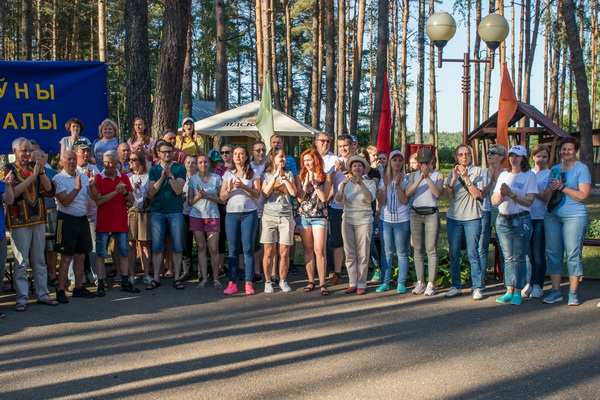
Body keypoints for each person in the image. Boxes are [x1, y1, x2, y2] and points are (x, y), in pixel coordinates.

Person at [4, 138, 57, 311]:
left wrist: (40, 172)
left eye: (29, 150)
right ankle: (22, 298)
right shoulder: (8, 170)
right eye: (24, 151)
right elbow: (12, 195)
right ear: (14, 152)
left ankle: (42, 293)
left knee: (39, 259)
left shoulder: (35, 168)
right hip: (19, 221)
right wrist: (33, 176)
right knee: (21, 261)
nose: (27, 154)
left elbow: (49, 191)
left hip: (38, 219)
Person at [540, 137, 591, 306]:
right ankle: (555, 291)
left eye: (569, 149)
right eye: (563, 149)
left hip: (574, 216)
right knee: (553, 254)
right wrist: (551, 188)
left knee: (572, 253)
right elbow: (547, 197)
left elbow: (583, 195)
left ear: (575, 151)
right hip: (553, 216)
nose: (566, 152)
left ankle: (573, 292)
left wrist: (563, 187)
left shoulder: (581, 169)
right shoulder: (554, 169)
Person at [492, 145, 538, 306]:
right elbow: (494, 200)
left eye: (517, 156)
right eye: (511, 155)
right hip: (503, 219)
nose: (514, 158)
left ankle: (518, 291)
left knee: (518, 257)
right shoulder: (503, 175)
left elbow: (529, 201)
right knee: (508, 257)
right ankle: (509, 290)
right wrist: (502, 195)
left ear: (523, 158)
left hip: (521, 219)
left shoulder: (529, 176)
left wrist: (512, 194)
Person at [89, 151, 139, 296]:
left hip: (120, 220)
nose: (108, 165)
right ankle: (100, 283)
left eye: (111, 162)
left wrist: (123, 192)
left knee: (123, 252)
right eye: (105, 162)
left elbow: (132, 200)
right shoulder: (98, 178)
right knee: (101, 253)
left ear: (117, 163)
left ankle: (125, 281)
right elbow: (98, 201)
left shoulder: (123, 177)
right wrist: (114, 192)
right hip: (104, 221)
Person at [52, 150, 96, 303]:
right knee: (66, 257)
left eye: (73, 159)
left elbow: (93, 197)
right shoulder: (58, 179)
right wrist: (76, 188)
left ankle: (78, 286)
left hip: (82, 220)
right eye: (68, 159)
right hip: (66, 220)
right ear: (62, 162)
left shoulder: (83, 177)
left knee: (80, 255)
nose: (71, 162)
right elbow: (64, 201)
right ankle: (61, 289)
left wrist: (92, 184)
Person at [444, 144, 485, 300]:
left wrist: (467, 178)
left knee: (473, 253)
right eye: (461, 154)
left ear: (471, 155)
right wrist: (454, 178)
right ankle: (456, 286)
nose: (464, 157)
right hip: (454, 217)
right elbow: (446, 195)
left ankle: (477, 287)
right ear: (456, 157)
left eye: (467, 154)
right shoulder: (452, 172)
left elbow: (477, 195)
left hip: (472, 217)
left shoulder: (478, 171)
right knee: (454, 253)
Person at [220, 146, 261, 295]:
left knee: (248, 248)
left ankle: (249, 282)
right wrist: (230, 189)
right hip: (231, 214)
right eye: (235, 154)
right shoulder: (227, 174)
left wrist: (243, 186)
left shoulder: (253, 173)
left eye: (241, 154)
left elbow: (257, 195)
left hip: (249, 214)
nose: (238, 156)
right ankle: (232, 282)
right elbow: (222, 197)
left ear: (246, 156)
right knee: (233, 250)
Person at [146, 141, 187, 290]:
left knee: (177, 246)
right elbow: (151, 193)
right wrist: (162, 177)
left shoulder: (180, 168)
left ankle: (177, 278)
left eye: (169, 151)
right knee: (157, 247)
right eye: (164, 152)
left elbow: (178, 190)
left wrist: (170, 175)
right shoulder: (154, 170)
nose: (167, 154)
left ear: (174, 152)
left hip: (175, 211)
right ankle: (156, 278)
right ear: (158, 153)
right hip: (158, 211)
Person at [406, 147, 444, 296]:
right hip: (416, 214)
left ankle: (431, 283)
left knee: (431, 249)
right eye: (421, 162)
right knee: (417, 249)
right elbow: (408, 193)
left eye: (426, 162)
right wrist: (419, 178)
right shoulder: (413, 175)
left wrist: (427, 177)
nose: (424, 165)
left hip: (431, 214)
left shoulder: (438, 175)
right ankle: (420, 281)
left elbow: (437, 193)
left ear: (432, 161)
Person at [335, 155, 376, 294]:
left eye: (360, 165)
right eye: (354, 165)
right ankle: (352, 282)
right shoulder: (344, 182)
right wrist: (342, 187)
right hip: (348, 220)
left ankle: (362, 284)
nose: (357, 168)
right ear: (351, 169)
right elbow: (338, 201)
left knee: (363, 254)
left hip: (364, 220)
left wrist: (361, 183)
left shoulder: (370, 183)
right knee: (350, 253)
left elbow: (370, 199)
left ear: (364, 169)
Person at [296, 148, 332, 295]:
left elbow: (324, 199)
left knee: (319, 250)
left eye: (309, 160)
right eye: (304, 161)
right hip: (304, 216)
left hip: (319, 216)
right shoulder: (300, 176)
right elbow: (299, 198)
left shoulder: (326, 177)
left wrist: (315, 185)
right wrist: (305, 184)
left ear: (316, 160)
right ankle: (311, 281)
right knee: (308, 249)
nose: (306, 163)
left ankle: (323, 283)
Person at [261, 148, 297, 293]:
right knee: (269, 251)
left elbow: (294, 192)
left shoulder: (289, 173)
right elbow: (264, 193)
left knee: (284, 251)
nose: (283, 159)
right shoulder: (265, 175)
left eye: (284, 157)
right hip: (269, 216)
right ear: (273, 158)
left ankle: (283, 280)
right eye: (280, 157)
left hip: (286, 216)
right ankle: (268, 281)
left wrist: (285, 178)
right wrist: (275, 177)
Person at [376, 150, 410, 293]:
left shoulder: (407, 179)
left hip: (402, 220)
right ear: (390, 162)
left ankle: (401, 282)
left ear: (403, 163)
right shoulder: (384, 177)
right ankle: (385, 281)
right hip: (386, 220)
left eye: (400, 160)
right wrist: (385, 185)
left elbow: (404, 200)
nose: (397, 163)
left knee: (402, 252)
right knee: (386, 253)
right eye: (394, 160)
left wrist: (397, 185)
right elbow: (381, 201)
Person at [188, 154, 224, 288]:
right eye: (201, 163)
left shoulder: (216, 178)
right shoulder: (193, 179)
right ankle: (204, 278)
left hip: (213, 215)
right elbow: (190, 202)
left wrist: (208, 195)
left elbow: (222, 199)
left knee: (214, 248)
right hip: (196, 215)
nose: (203, 165)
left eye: (205, 162)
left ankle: (216, 278)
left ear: (209, 164)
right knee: (201, 247)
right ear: (197, 165)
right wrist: (198, 197)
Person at [522, 144, 551, 299]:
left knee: (538, 254)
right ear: (532, 157)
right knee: (528, 255)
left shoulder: (549, 174)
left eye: (544, 156)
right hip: (526, 216)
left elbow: (546, 196)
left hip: (540, 217)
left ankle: (539, 284)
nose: (541, 159)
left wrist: (532, 191)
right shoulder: (527, 173)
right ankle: (529, 282)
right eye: (538, 156)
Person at [327, 134, 355, 286]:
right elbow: (329, 183)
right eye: (340, 146)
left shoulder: (357, 162)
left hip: (353, 208)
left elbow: (358, 181)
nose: (343, 149)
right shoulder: (334, 163)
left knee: (352, 243)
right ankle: (337, 274)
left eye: (345, 145)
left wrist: (344, 170)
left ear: (352, 146)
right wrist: (331, 173)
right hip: (336, 207)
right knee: (336, 242)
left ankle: (354, 274)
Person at [478, 144, 507, 275]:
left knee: (503, 245)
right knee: (481, 244)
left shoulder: (506, 173)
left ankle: (507, 278)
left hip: (501, 211)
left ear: (501, 157)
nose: (489, 154)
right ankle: (481, 277)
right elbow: (480, 195)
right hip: (485, 210)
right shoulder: (483, 173)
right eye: (489, 152)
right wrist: (490, 183)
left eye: (493, 152)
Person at [127, 150, 152, 285]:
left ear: (141, 161)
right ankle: (131, 274)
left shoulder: (148, 177)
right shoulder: (128, 177)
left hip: (144, 213)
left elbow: (150, 195)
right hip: (131, 213)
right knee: (131, 244)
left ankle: (147, 274)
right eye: (130, 160)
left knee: (144, 244)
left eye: (134, 159)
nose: (131, 162)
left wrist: (141, 189)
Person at [215, 144, 234, 279]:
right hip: (221, 206)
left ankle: (239, 267)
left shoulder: (239, 168)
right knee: (221, 238)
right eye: (222, 153)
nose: (225, 155)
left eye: (228, 152)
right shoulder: (218, 170)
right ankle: (220, 267)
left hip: (236, 205)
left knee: (235, 238)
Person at [181, 155, 198, 280]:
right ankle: (187, 270)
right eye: (188, 162)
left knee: (200, 243)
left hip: (199, 213)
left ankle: (201, 271)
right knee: (185, 243)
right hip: (185, 213)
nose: (190, 165)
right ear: (184, 164)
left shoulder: (200, 178)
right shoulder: (181, 178)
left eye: (193, 163)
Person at [0, 170, 14, 318]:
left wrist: (8, 185)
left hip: (0, 234)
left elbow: (9, 201)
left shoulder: (0, 184)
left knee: (0, 269)